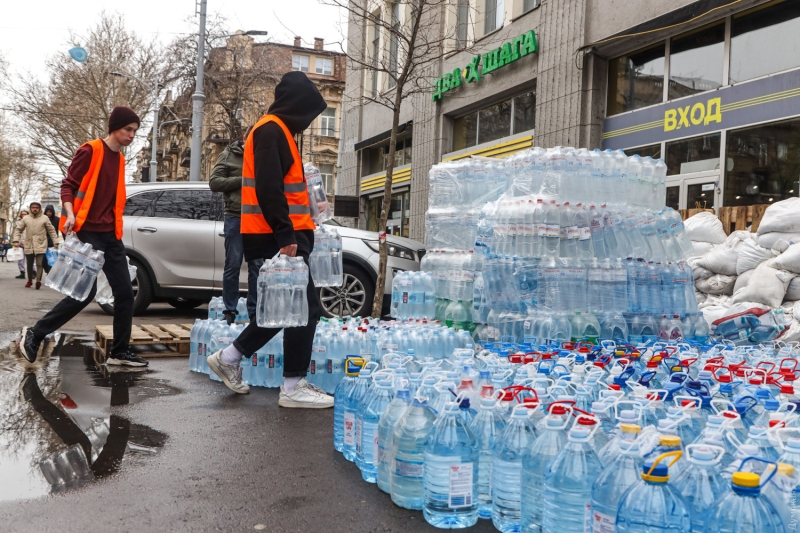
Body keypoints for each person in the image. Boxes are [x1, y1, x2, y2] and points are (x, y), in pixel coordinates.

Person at [207, 71, 331, 408]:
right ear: (297, 105)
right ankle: (292, 386)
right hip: (276, 236)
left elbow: (283, 186)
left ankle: (231, 357)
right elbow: (268, 187)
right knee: (303, 310)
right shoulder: (271, 130)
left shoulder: (279, 132)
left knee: (288, 310)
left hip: (282, 233)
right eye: (309, 113)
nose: (309, 122)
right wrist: (285, 233)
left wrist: (311, 207)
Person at [18, 106, 146, 368]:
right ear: (114, 128)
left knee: (124, 292)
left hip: (111, 234)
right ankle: (35, 333)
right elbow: (68, 185)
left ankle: (119, 351)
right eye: (128, 130)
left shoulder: (120, 159)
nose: (132, 135)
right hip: (88, 233)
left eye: (135, 131)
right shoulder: (90, 150)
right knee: (83, 295)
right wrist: (70, 213)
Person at [209, 130, 263, 325]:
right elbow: (214, 183)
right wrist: (243, 180)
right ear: (244, 139)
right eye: (252, 139)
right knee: (232, 264)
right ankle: (229, 311)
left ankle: (255, 311)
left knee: (257, 266)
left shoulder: (264, 157)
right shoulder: (229, 155)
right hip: (235, 216)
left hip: (258, 217)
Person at [13, 202, 58, 289]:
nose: (35, 209)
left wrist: (55, 241)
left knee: (39, 263)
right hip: (29, 243)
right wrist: (16, 240)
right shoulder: (26, 218)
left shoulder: (44, 218)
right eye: (33, 207)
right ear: (30, 208)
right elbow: (18, 229)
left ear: (40, 208)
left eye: (37, 207)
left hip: (41, 244)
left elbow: (51, 230)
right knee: (29, 264)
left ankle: (38, 280)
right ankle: (30, 280)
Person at [42, 204, 60, 274]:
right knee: (43, 260)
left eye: (50, 212)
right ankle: (47, 270)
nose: (48, 213)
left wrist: (56, 242)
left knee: (51, 259)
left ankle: (50, 272)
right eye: (47, 212)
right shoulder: (42, 219)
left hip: (52, 242)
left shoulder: (57, 220)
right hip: (43, 241)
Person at [14, 211, 28, 278]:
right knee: (20, 259)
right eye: (22, 214)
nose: (24, 215)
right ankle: (22, 272)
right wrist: (17, 241)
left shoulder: (30, 221)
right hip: (20, 243)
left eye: (25, 214)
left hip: (28, 243)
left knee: (30, 259)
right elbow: (17, 233)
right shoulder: (18, 222)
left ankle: (33, 272)